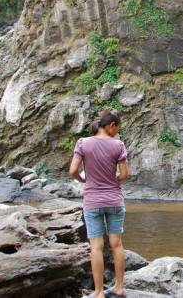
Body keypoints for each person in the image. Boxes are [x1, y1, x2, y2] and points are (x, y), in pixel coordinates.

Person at [69, 109, 129, 298]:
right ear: (111, 126)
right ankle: (119, 287)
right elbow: (125, 175)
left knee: (96, 247)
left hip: (92, 201)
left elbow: (72, 171)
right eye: (117, 128)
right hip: (114, 200)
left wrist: (84, 180)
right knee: (116, 245)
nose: (118, 132)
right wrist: (114, 179)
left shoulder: (83, 143)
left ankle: (98, 292)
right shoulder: (118, 145)